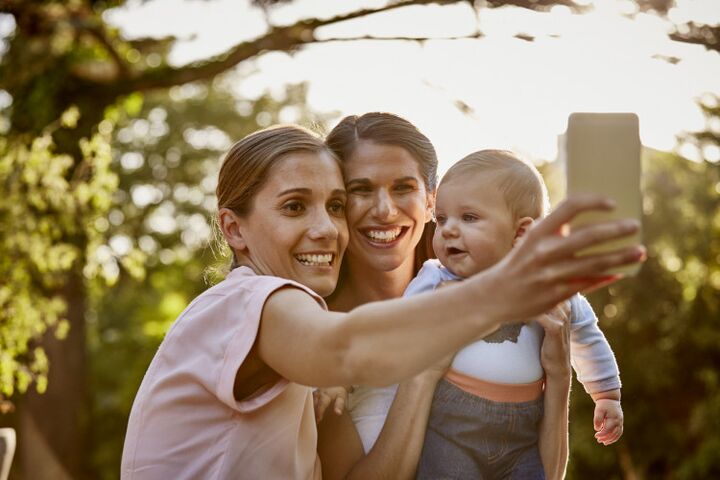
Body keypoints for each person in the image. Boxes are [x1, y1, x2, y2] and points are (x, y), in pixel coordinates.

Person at [120, 123, 643, 479]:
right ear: (234, 229)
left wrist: (557, 377)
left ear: (430, 200)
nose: (325, 228)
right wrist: (503, 288)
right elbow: (342, 351)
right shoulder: (250, 302)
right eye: (295, 207)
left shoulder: (307, 330)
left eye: (334, 205)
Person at [316, 113, 631, 479]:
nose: (385, 210)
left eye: (403, 187)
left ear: (429, 200)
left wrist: (567, 378)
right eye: (361, 189)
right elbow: (388, 333)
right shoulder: (320, 334)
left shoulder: (537, 288)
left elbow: (548, 471)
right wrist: (364, 370)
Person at [409, 150, 624, 479]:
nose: (449, 230)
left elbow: (585, 333)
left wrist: (606, 394)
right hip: (451, 425)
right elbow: (392, 326)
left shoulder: (549, 284)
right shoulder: (436, 278)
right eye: (442, 219)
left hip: (523, 432)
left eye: (468, 218)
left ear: (521, 233)